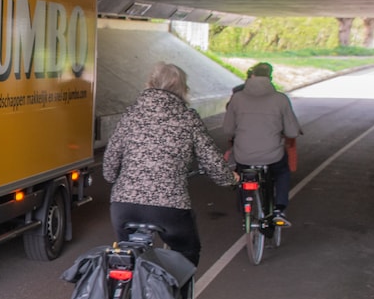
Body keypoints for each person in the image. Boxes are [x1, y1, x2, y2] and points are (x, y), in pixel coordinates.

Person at [103, 62, 237, 269]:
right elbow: (212, 161)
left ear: (149, 83)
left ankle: (123, 296)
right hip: (170, 207)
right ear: (183, 89)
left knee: (125, 258)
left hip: (124, 206)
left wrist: (113, 177)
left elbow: (110, 165)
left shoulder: (131, 115)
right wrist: (230, 178)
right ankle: (176, 297)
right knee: (186, 252)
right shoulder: (187, 118)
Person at [222, 61, 303, 223]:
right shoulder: (280, 99)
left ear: (251, 76)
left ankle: (245, 206)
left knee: (243, 171)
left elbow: (228, 130)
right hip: (272, 155)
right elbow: (292, 132)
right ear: (270, 78)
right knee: (282, 172)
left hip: (243, 155)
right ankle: (279, 209)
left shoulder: (237, 98)